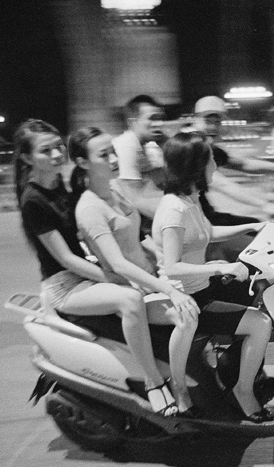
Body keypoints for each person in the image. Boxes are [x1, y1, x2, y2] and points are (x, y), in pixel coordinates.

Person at [13, 119, 178, 417]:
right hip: (65, 287)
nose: (54, 154)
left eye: (57, 147)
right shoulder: (33, 200)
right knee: (130, 299)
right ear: (26, 158)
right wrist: (115, 277)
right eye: (45, 150)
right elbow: (65, 259)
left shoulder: (65, 188)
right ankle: (153, 382)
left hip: (87, 275)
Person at [69, 126, 203, 418]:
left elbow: (139, 238)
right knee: (187, 317)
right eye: (104, 155)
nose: (114, 159)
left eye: (114, 152)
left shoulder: (116, 190)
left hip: (153, 277)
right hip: (136, 288)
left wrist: (168, 259)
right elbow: (117, 263)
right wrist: (167, 288)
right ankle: (168, 385)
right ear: (82, 163)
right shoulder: (90, 208)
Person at [152, 131, 273, 423]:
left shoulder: (191, 200)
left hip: (203, 288)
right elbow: (172, 267)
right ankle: (233, 390)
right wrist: (219, 267)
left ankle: (242, 372)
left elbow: (209, 233)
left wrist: (255, 227)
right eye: (210, 160)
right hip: (187, 298)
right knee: (260, 324)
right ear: (196, 166)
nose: (215, 166)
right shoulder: (174, 210)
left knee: (263, 295)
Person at [193, 95, 274, 222]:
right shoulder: (191, 147)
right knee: (260, 233)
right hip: (191, 225)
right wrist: (265, 205)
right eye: (207, 121)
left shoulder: (208, 147)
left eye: (217, 122)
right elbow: (222, 184)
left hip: (205, 217)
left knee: (257, 226)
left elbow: (242, 164)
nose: (212, 127)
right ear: (195, 120)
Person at [112, 94, 168, 224]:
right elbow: (136, 199)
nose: (158, 124)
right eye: (152, 119)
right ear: (132, 122)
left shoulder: (145, 147)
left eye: (160, 118)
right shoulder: (127, 144)